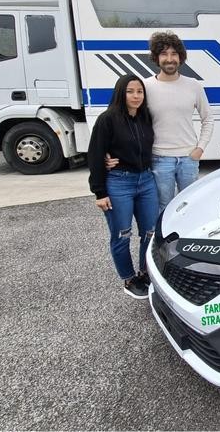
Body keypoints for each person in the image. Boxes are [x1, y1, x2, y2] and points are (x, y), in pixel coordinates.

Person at [88, 74, 157, 300]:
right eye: (130, 91)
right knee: (122, 234)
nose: (136, 96)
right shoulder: (107, 119)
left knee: (150, 232)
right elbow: (95, 154)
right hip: (119, 183)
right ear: (120, 93)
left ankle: (145, 272)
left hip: (146, 181)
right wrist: (99, 192)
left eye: (140, 91)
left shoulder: (145, 117)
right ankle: (129, 279)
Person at [143, 31, 214, 211]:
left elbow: (208, 119)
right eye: (164, 54)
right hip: (159, 158)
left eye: (174, 54)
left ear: (180, 57)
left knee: (189, 206)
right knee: (163, 207)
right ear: (156, 57)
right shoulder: (145, 86)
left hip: (189, 158)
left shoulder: (193, 85)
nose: (169, 59)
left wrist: (200, 149)